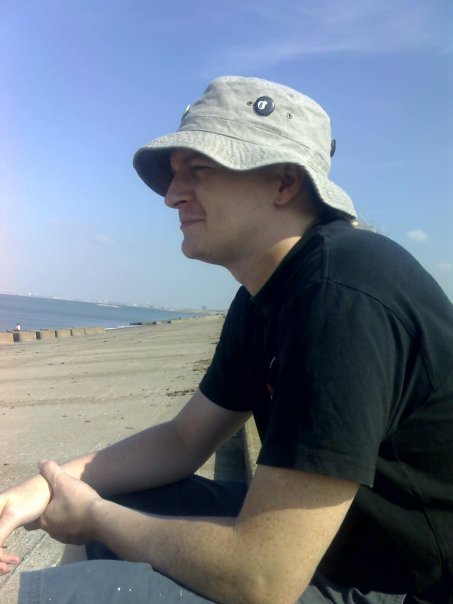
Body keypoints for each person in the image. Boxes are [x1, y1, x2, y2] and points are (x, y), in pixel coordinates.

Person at [1, 76, 452, 604]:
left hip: (410, 584)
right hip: (340, 544)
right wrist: (44, 488)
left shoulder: (342, 295)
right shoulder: (264, 294)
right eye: (173, 175)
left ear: (284, 183)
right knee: (112, 504)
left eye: (199, 170)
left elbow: (262, 579)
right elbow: (183, 439)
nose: (172, 195)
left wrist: (95, 517)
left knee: (77, 589)